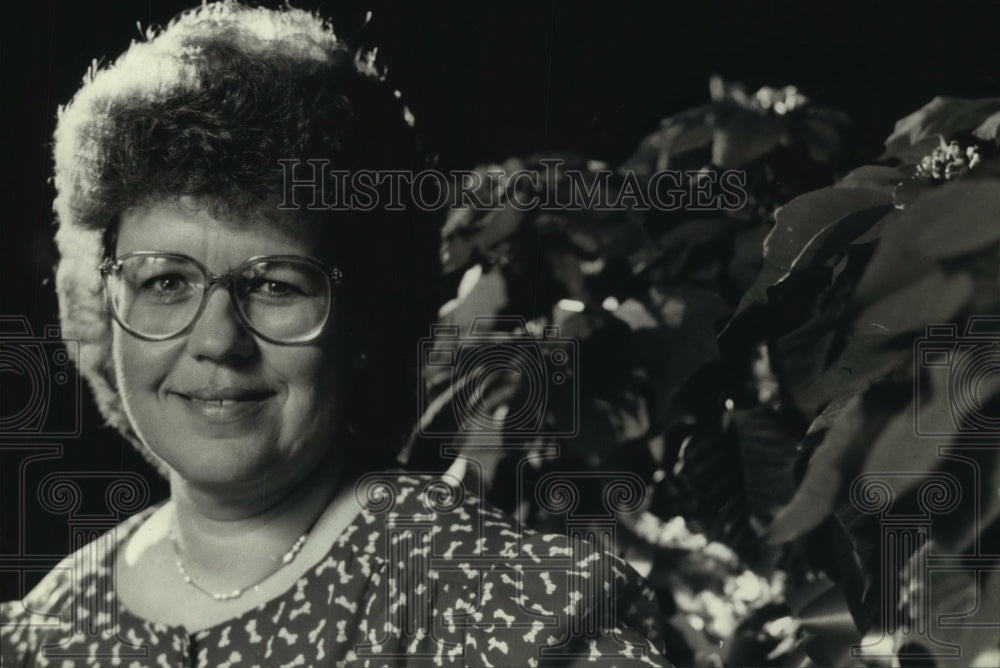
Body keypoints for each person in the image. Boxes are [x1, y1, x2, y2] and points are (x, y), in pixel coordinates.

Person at [0, 2, 672, 666]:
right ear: (100, 299)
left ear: (364, 319)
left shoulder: (501, 608)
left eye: (275, 284)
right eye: (166, 281)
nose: (216, 341)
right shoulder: (46, 631)